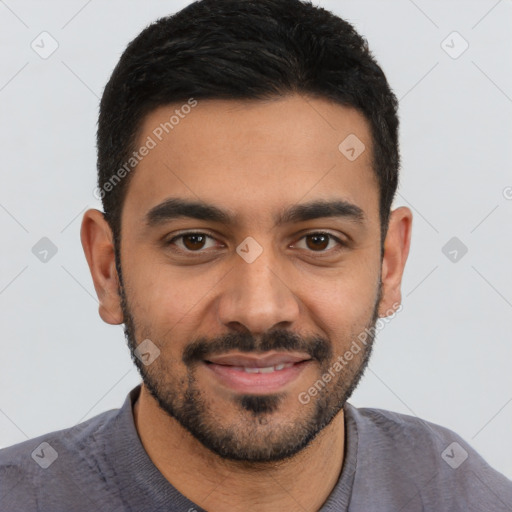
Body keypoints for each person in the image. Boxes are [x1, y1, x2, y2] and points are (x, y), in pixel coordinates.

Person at [1, 0, 511, 510]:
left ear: (389, 263)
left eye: (318, 241)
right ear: (108, 269)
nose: (258, 309)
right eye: (194, 241)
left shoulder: (466, 495)